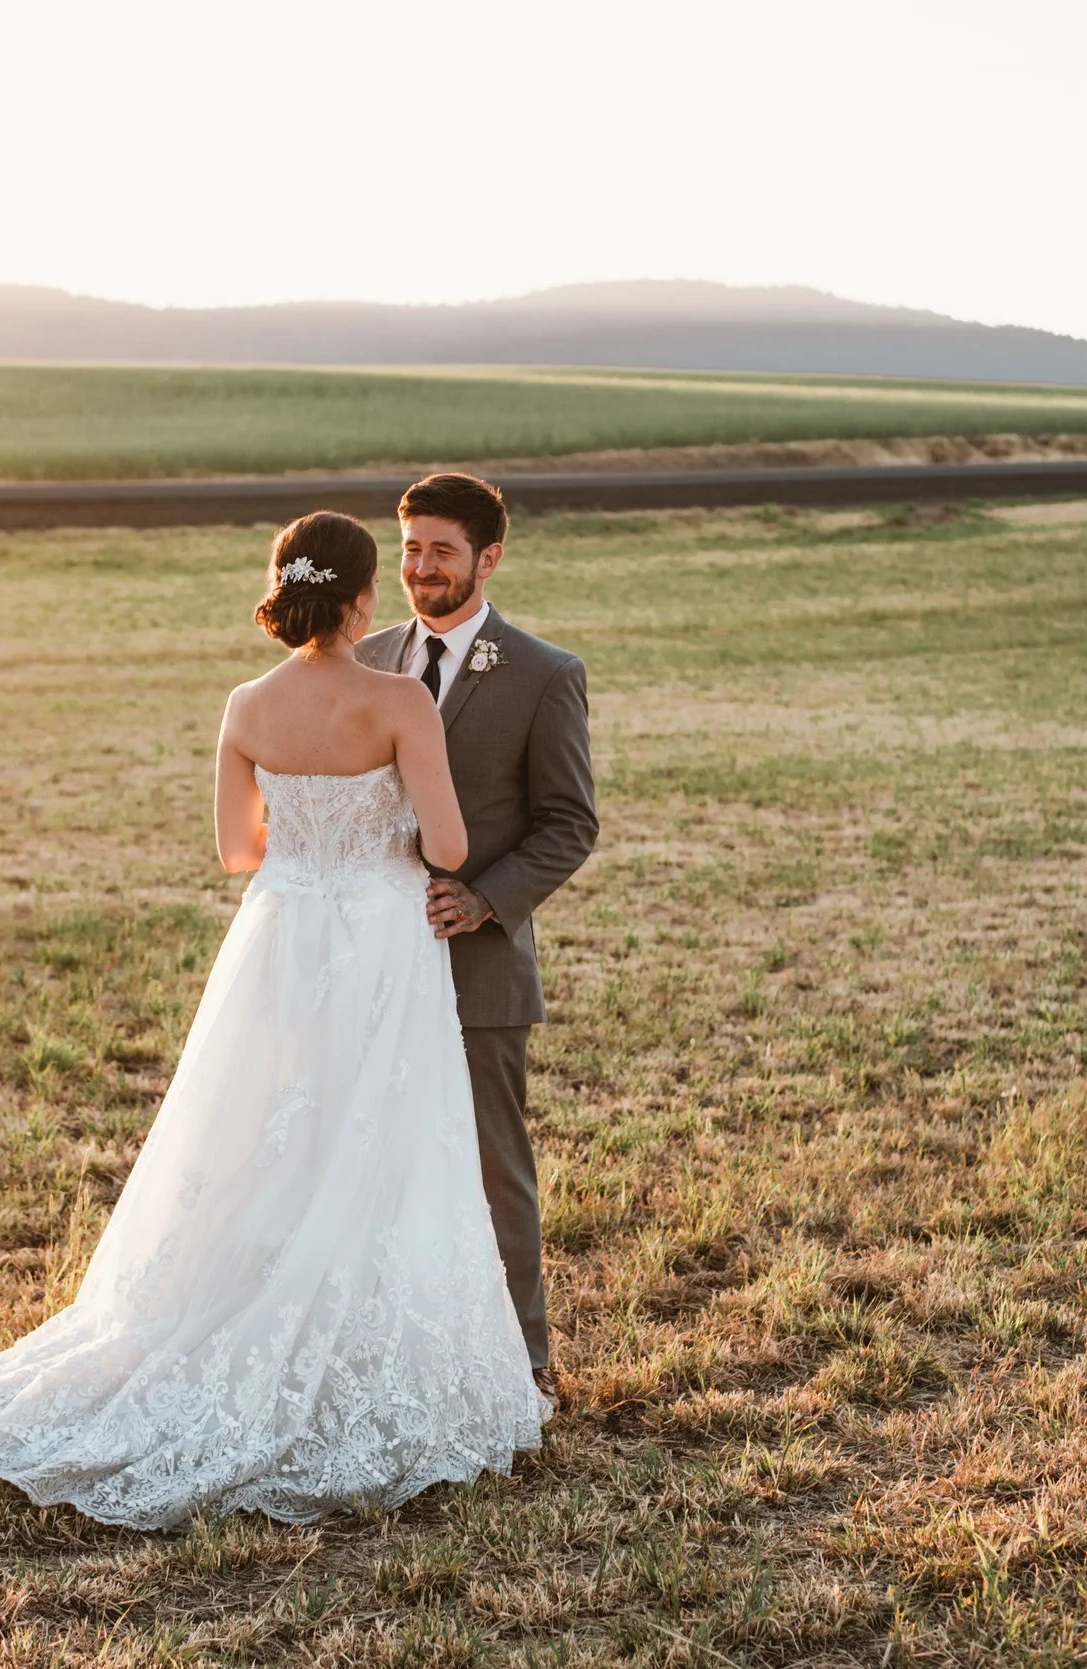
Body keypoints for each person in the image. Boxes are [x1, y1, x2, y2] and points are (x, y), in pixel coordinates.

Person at [0, 510, 545, 1529]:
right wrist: (392, 826)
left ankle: (227, 1314)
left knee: (260, 1135)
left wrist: (311, 833)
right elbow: (451, 844)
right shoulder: (399, 699)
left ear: (287, 587)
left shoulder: (245, 704)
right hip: (378, 938)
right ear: (366, 595)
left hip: (280, 936)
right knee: (377, 1139)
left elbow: (237, 852)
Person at [354, 473, 598, 1388]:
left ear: (489, 558)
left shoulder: (544, 674)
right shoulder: (364, 658)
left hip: (480, 970)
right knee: (371, 1163)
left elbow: (570, 822)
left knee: (496, 1172)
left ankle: (521, 1369)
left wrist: (487, 898)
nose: (420, 568)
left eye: (442, 551)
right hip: (369, 963)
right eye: (410, 549)